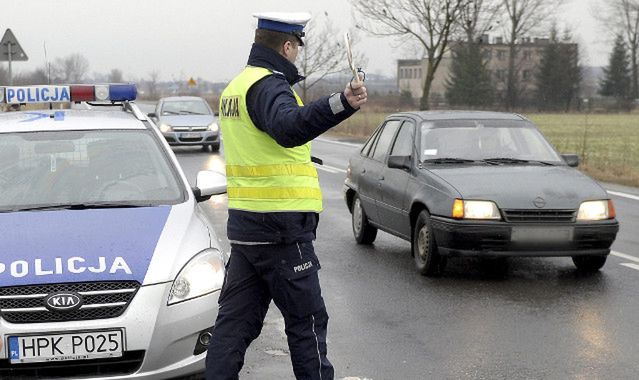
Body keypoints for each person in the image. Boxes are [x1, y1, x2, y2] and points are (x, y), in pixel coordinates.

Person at [205, 11, 367, 380]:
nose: (296, 56)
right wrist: (340, 102)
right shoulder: (269, 85)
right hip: (280, 229)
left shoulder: (236, 87)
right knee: (307, 323)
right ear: (288, 46)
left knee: (233, 329)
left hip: (247, 229)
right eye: (296, 49)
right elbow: (286, 127)